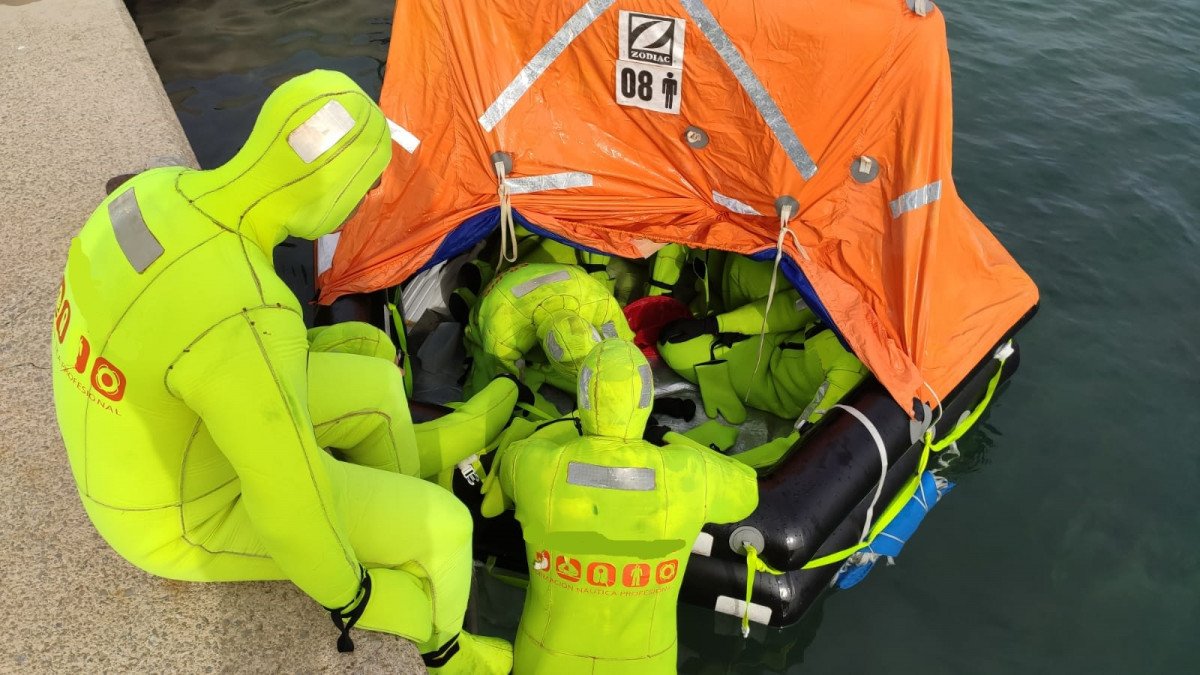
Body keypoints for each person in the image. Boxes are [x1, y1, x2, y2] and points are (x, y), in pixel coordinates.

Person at [51, 70, 514, 673]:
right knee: (446, 529)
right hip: (178, 513)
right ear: (333, 191)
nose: (365, 204)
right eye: (365, 189)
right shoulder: (248, 311)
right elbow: (288, 504)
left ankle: (405, 480)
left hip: (146, 442)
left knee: (375, 381)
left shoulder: (153, 190)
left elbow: (174, 333)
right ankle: (448, 650)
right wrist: (354, 594)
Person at [495, 340, 759, 674]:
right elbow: (747, 487)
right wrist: (670, 440)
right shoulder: (690, 473)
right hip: (646, 663)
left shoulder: (533, 466)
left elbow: (518, 451)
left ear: (583, 396)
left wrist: (569, 430)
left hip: (544, 659)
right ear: (646, 399)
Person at [657, 254, 867, 425]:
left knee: (672, 345)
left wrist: (670, 439)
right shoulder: (856, 302)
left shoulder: (850, 373)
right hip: (777, 339)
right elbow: (791, 309)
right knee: (745, 265)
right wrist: (716, 324)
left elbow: (803, 449)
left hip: (767, 384)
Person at [462, 262, 635, 396]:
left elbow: (621, 342)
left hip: (541, 275)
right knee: (484, 367)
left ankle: (481, 275)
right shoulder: (503, 331)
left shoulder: (597, 298)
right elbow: (504, 378)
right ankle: (472, 298)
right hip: (496, 299)